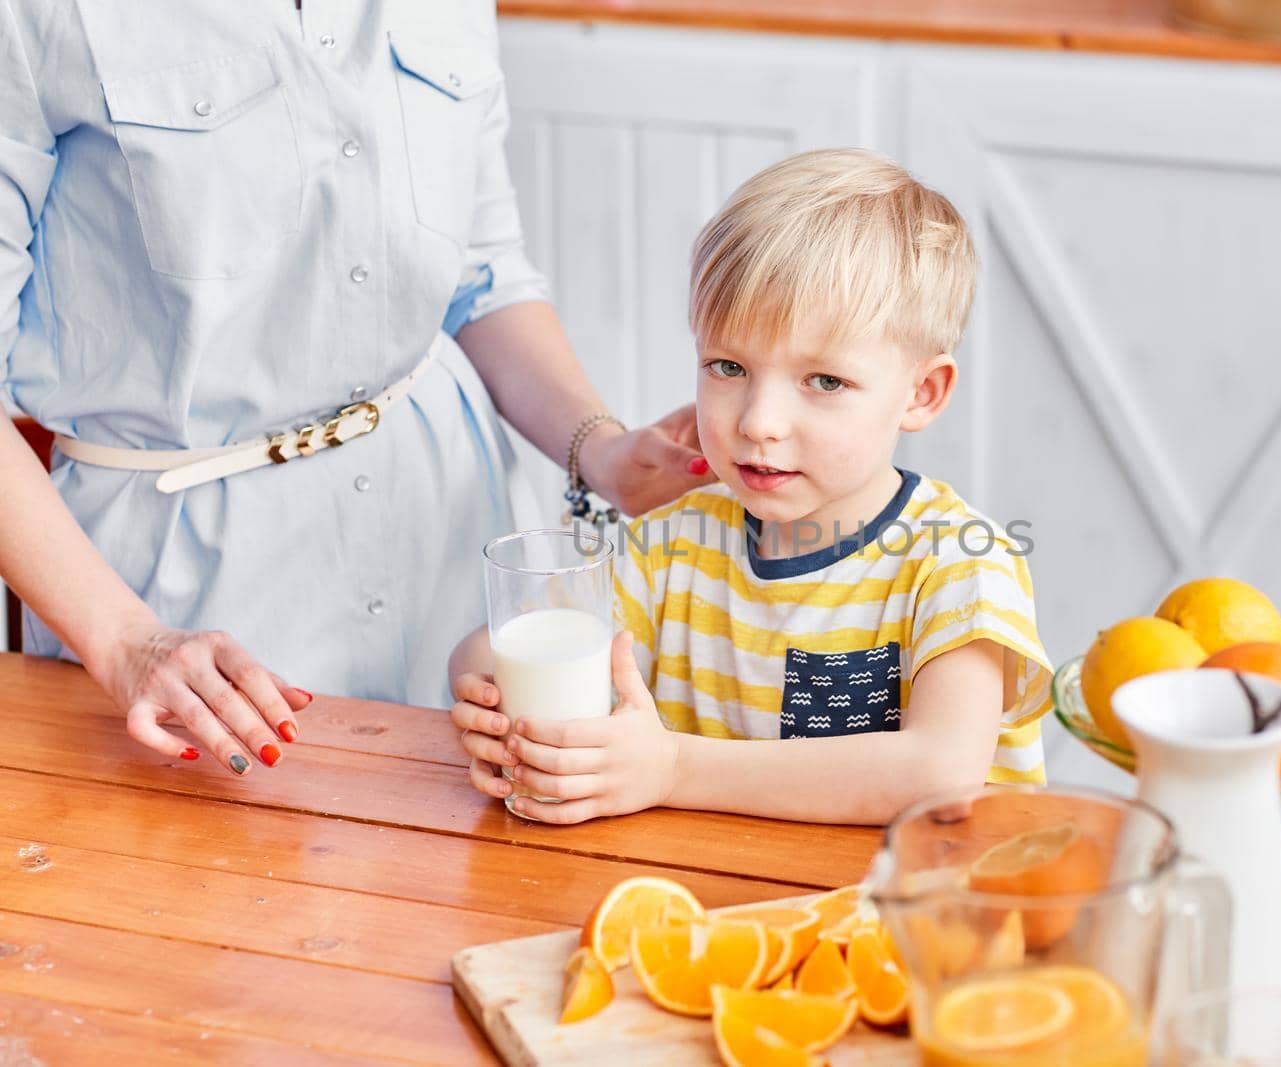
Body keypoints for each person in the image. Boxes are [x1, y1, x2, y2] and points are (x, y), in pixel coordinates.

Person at [0, 1, 708, 777]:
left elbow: (480, 274)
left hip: (447, 542)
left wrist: (603, 451)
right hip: (179, 605)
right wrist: (129, 643)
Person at [450, 149, 1053, 825]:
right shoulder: (674, 541)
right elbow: (502, 643)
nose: (759, 423)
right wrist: (486, 690)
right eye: (728, 366)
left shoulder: (961, 563)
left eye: (824, 381)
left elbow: (939, 773)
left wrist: (672, 767)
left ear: (922, 392)